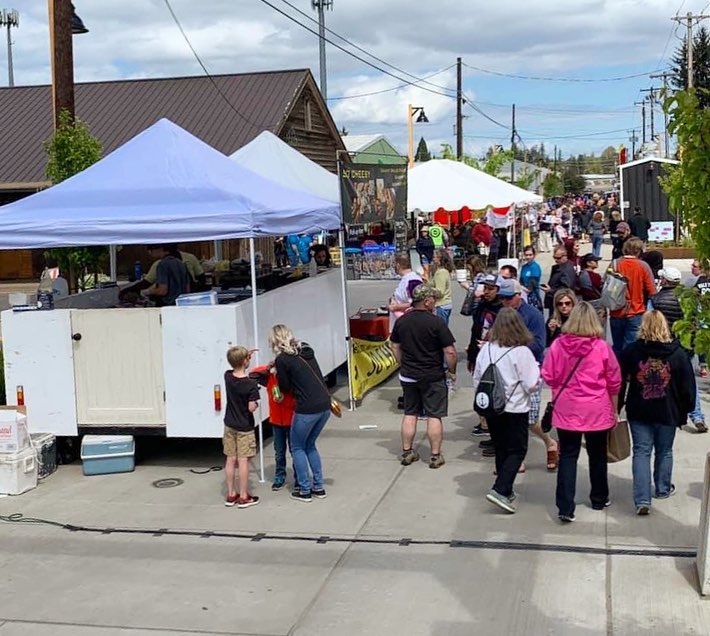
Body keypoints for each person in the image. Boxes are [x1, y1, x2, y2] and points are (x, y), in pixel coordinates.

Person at [541, 302, 622, 523]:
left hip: (568, 407)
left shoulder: (558, 345)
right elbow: (614, 381)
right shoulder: (602, 347)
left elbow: (547, 375)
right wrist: (614, 410)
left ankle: (565, 506)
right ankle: (599, 497)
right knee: (597, 456)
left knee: (568, 456)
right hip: (596, 408)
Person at [620, 311, 695, 515]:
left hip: (640, 409)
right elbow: (688, 387)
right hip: (668, 411)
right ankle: (662, 488)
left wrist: (617, 406)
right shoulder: (678, 354)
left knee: (642, 452)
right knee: (665, 451)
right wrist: (686, 409)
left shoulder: (633, 351)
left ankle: (642, 498)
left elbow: (619, 380)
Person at [473, 308, 540, 513]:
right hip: (515, 408)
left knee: (501, 448)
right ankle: (500, 489)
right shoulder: (522, 352)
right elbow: (531, 384)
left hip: (492, 407)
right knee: (518, 449)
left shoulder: (487, 349)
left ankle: (507, 489)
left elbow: (477, 377)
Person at [390, 284, 458, 469]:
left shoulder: (402, 321)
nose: (435, 303)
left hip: (409, 376)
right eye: (433, 300)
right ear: (427, 301)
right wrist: (452, 371)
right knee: (434, 415)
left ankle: (407, 451)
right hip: (432, 376)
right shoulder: (436, 322)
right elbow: (450, 352)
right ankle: (435, 456)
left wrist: (401, 363)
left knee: (410, 413)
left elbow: (394, 345)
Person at [497, 279, 557, 471]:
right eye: (502, 298)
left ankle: (549, 442)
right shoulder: (503, 315)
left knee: (530, 419)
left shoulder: (533, 315)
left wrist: (513, 345)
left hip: (529, 371)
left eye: (508, 298)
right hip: (508, 372)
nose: (505, 302)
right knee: (510, 418)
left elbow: (540, 345)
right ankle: (516, 457)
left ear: (518, 296)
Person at [270, 325, 331, 503]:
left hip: (306, 408)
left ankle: (304, 489)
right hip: (324, 405)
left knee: (297, 447)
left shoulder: (282, 359)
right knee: (310, 445)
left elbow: (286, 388)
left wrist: (277, 371)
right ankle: (318, 486)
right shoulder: (306, 348)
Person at [650, 267, 708, 434]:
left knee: (661, 379)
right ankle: (696, 416)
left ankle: (663, 412)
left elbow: (650, 322)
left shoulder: (655, 299)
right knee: (689, 380)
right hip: (685, 343)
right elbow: (698, 319)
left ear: (665, 280)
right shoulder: (688, 298)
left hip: (664, 344)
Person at [249, 362, 297, 492]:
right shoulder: (269, 379)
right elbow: (253, 374)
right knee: (279, 452)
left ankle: (298, 477)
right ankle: (279, 476)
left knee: (295, 451)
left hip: (291, 421)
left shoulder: (291, 380)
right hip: (276, 421)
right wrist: (268, 367)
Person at [222, 346, 261, 508]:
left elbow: (236, 365)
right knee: (243, 460)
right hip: (244, 426)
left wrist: (244, 356)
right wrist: (257, 403)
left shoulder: (227, 376)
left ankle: (231, 493)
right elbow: (251, 407)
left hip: (229, 423)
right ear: (245, 361)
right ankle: (244, 496)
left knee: (230, 459)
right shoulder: (251, 384)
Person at [467, 274, 505, 439]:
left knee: (492, 388)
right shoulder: (482, 305)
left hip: (495, 354)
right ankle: (484, 422)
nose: (487, 292)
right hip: (478, 352)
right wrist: (471, 354)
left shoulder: (502, 309)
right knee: (479, 388)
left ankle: (491, 423)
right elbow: (472, 325)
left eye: (490, 289)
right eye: (485, 288)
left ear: (498, 290)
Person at [609, 238, 657, 357]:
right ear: (639, 251)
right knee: (631, 347)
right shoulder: (643, 266)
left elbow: (606, 285)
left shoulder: (615, 264)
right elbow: (652, 291)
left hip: (616, 311)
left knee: (617, 346)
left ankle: (618, 371)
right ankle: (629, 373)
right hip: (636, 311)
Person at [542, 246, 576, 314]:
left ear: (565, 256)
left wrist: (550, 291)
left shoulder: (567, 270)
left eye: (558, 258)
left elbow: (566, 289)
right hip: (555, 302)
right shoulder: (559, 267)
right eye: (554, 258)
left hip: (561, 304)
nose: (556, 260)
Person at [431, 249, 454, 324]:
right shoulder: (442, 271)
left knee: (440, 329)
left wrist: (428, 290)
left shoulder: (441, 273)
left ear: (439, 258)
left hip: (441, 305)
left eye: (434, 257)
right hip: (445, 304)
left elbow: (440, 292)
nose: (433, 259)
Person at [520, 245, 543, 312]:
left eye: (530, 255)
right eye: (526, 255)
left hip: (533, 295)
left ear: (534, 255)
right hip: (523, 294)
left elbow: (532, 284)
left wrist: (524, 288)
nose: (528, 257)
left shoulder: (535, 267)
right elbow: (521, 280)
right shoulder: (524, 267)